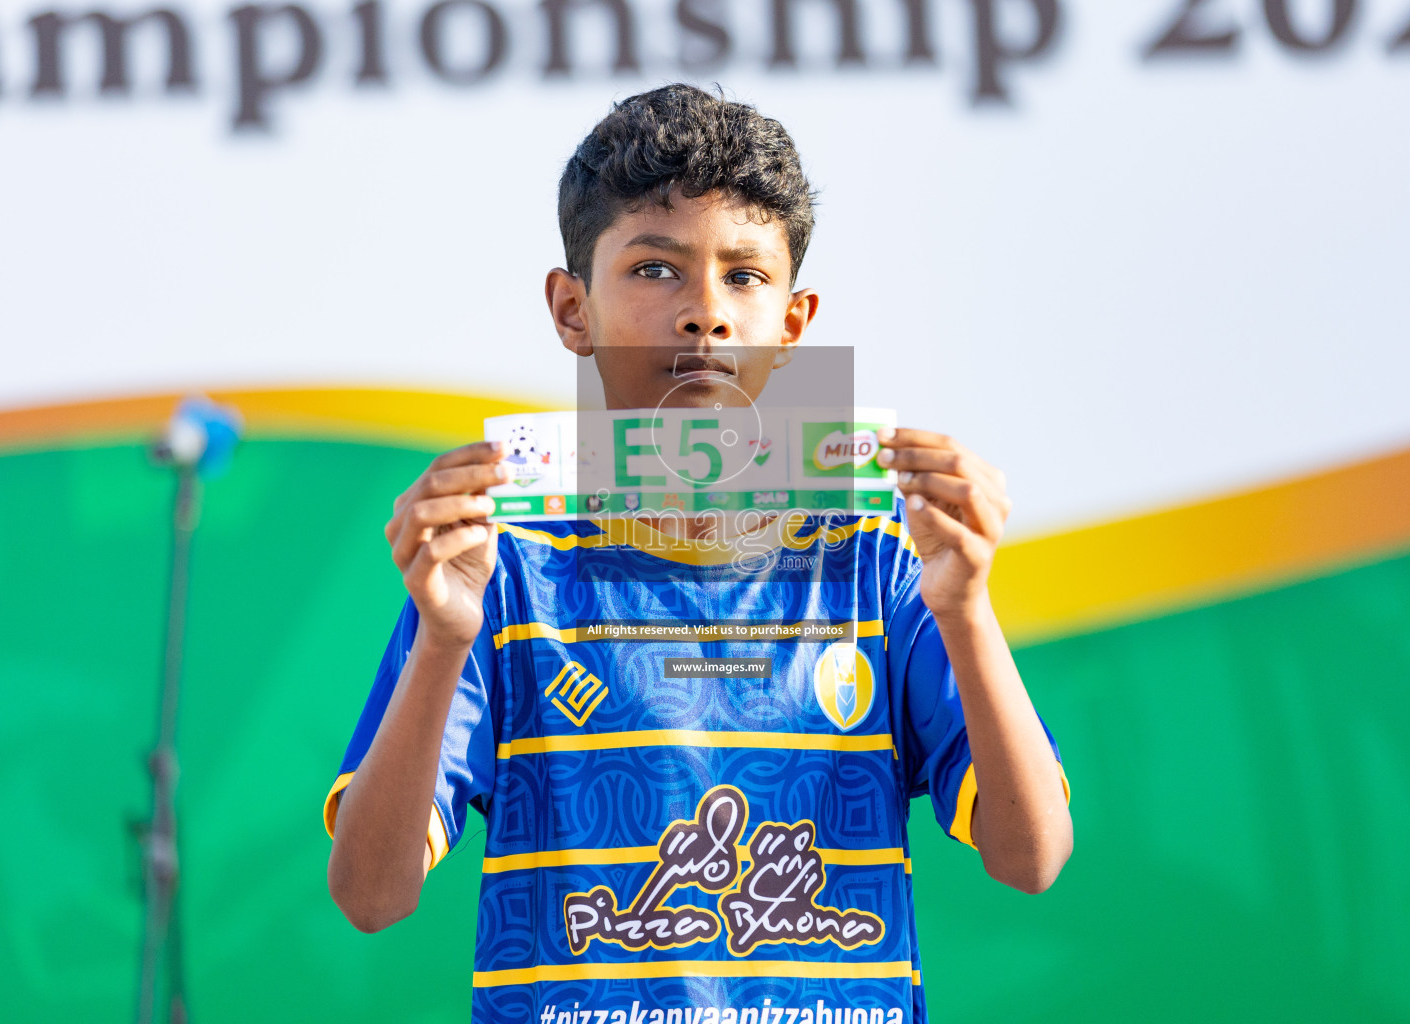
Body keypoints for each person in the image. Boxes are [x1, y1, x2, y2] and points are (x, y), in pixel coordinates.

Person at [324, 84, 1071, 1024]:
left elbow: (1032, 857)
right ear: (571, 310)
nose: (705, 315)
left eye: (746, 276)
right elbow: (369, 896)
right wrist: (440, 641)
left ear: (793, 325)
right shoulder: (500, 576)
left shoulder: (881, 564)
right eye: (654, 270)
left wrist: (965, 612)